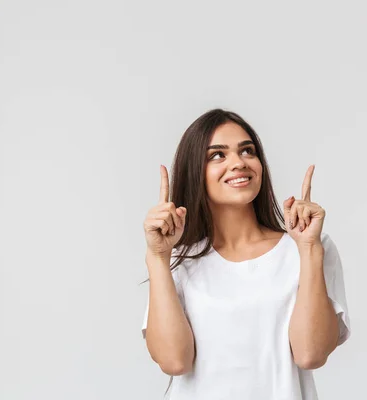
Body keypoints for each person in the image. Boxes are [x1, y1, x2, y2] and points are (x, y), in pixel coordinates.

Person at [141, 108, 351, 399]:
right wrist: (158, 258)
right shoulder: (177, 260)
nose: (238, 163)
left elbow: (311, 354)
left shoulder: (308, 248)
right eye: (217, 155)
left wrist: (309, 249)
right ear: (195, 171)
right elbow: (174, 361)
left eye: (247, 151)